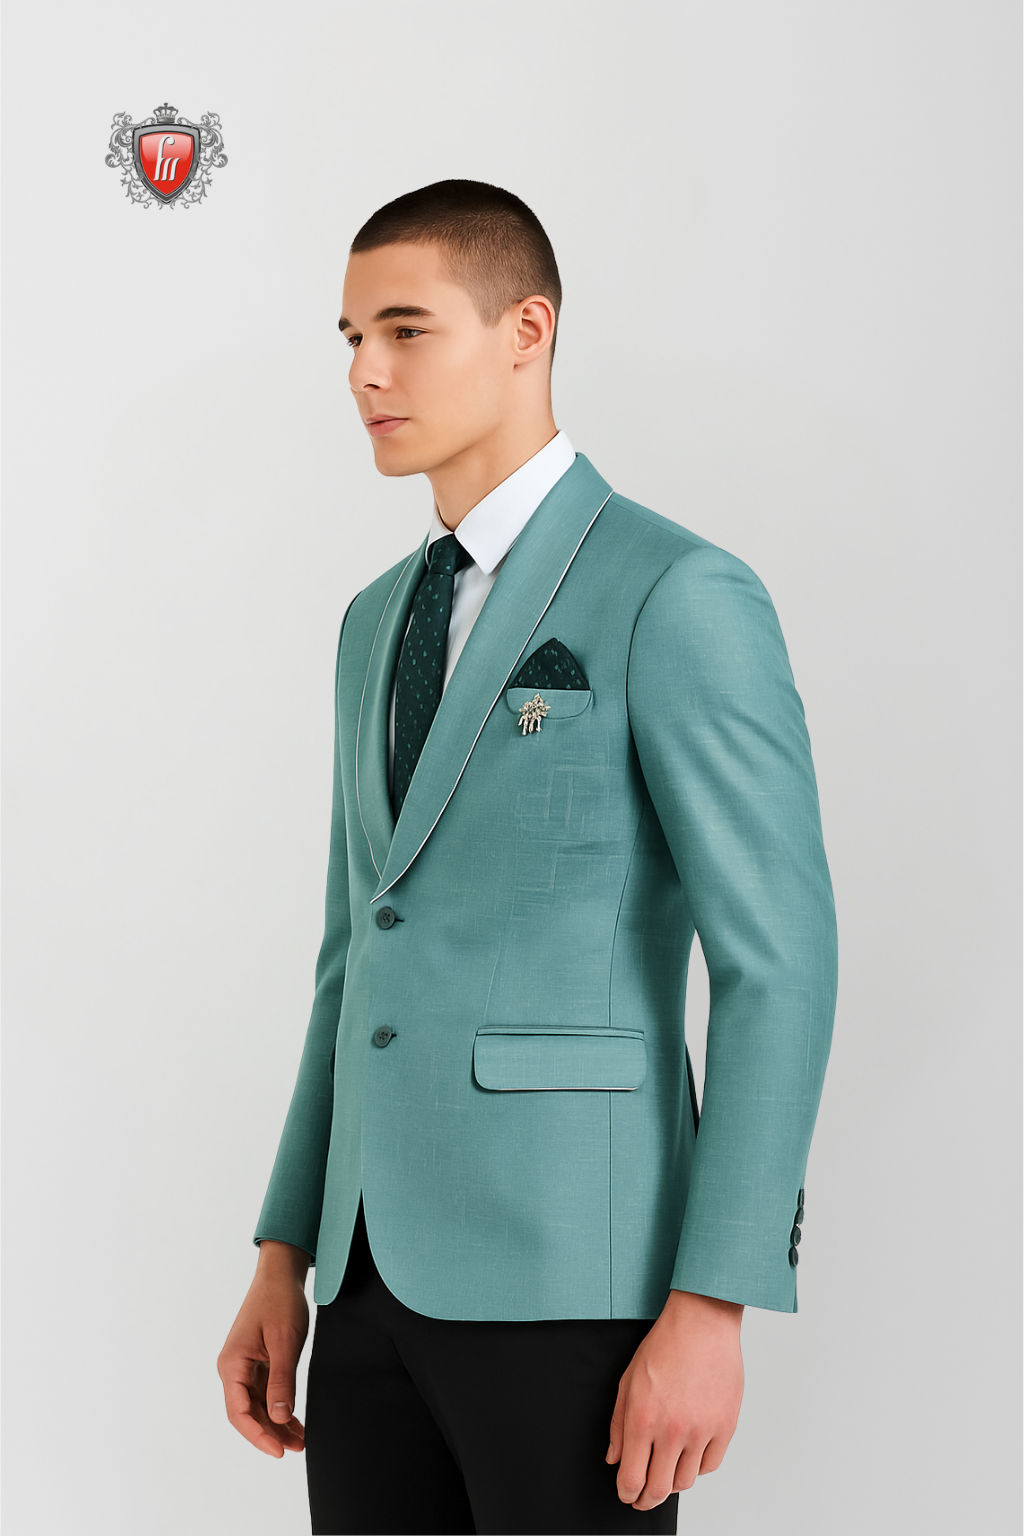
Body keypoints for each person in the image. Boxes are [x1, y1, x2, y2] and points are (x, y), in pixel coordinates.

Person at [217, 179, 838, 1536]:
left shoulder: (675, 591)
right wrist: (284, 1249)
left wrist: (715, 1300)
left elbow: (778, 964)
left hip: (577, 1278)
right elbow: (354, 957)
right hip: (364, 1286)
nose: (365, 371)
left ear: (527, 330)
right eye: (350, 338)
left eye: (405, 329)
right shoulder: (374, 621)